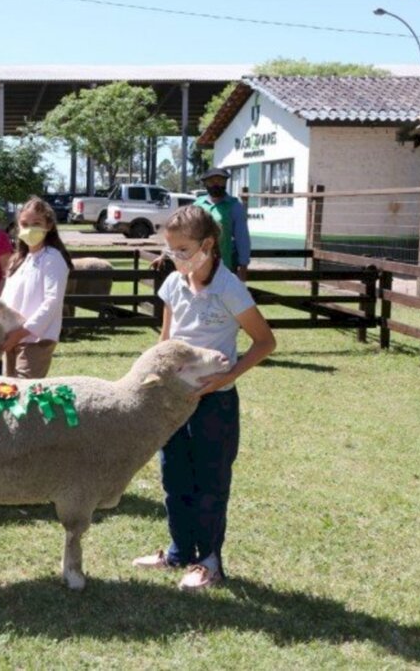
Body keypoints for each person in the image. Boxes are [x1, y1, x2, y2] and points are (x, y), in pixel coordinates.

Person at [132, 205, 275, 591]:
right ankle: (179, 552)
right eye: (171, 249)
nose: (175, 257)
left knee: (210, 482)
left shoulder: (229, 288)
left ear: (207, 245)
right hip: (174, 401)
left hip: (214, 402)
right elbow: (165, 343)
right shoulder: (174, 285)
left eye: (182, 249)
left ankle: (208, 561)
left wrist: (227, 377)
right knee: (174, 477)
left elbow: (265, 342)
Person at [0, 197, 73, 379]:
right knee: (7, 392)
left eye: (36, 223)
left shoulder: (52, 258)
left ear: (48, 226)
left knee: (25, 395)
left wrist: (22, 332)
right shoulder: (18, 260)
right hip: (11, 337)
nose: (29, 228)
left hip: (35, 339)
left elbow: (52, 301)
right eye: (24, 224)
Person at [194, 167, 251, 281]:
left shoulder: (234, 206)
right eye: (212, 181)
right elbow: (184, 233)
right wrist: (167, 254)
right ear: (205, 183)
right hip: (198, 264)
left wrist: (243, 265)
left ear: (225, 182)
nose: (216, 184)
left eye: (220, 180)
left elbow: (242, 237)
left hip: (224, 266)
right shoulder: (197, 204)